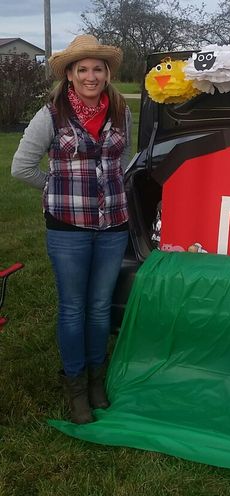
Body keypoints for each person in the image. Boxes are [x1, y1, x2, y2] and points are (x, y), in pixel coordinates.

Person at [11, 35, 132, 424]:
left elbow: (122, 159)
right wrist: (56, 186)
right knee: (73, 308)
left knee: (100, 308)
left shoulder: (120, 110)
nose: (91, 76)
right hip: (67, 227)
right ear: (69, 74)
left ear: (107, 72)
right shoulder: (51, 115)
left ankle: (97, 380)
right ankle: (76, 386)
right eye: (83, 69)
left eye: (98, 68)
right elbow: (22, 167)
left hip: (113, 224)